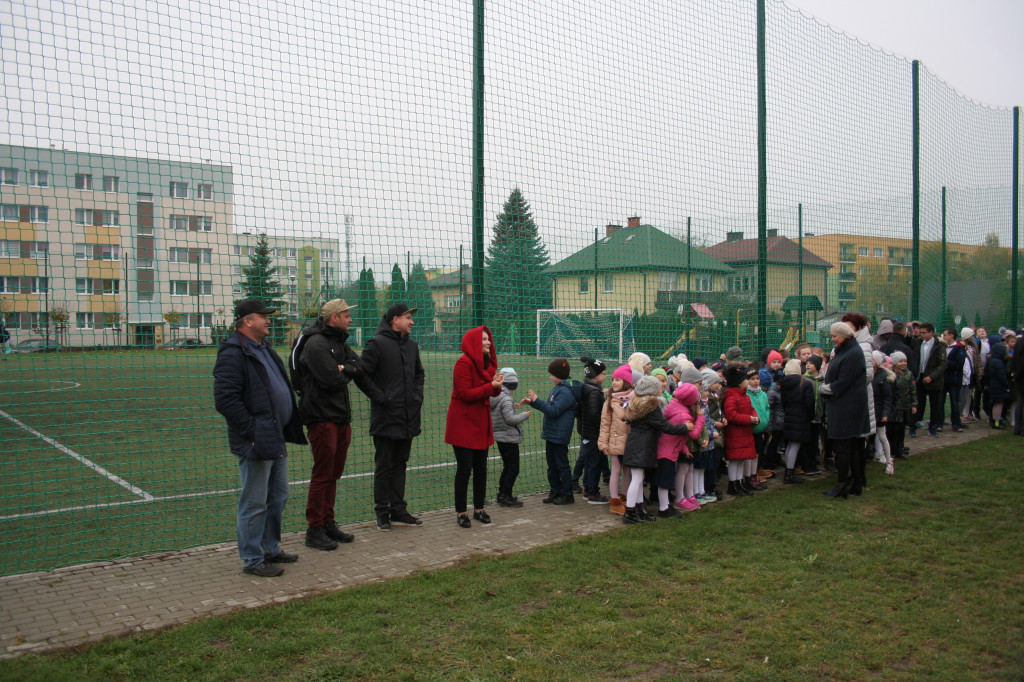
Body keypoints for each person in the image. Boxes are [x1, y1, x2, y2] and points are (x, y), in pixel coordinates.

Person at [213, 299, 307, 577]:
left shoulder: (264, 349)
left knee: (278, 495)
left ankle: (270, 547)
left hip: (275, 435)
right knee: (254, 502)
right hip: (257, 439)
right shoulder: (233, 353)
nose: (269, 320)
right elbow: (225, 400)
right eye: (263, 316)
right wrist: (253, 430)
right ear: (247, 321)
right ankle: (252, 559)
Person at [293, 299, 365, 551]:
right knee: (323, 473)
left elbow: (360, 365)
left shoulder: (337, 342)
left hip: (340, 416)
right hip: (321, 416)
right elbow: (332, 380)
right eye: (346, 315)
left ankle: (328, 522)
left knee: (334, 473)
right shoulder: (316, 344)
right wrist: (346, 371)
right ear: (334, 318)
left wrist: (345, 366)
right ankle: (314, 529)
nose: (350, 319)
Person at [361, 303, 426, 531]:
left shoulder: (412, 346)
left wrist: (417, 396)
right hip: (386, 418)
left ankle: (398, 509)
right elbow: (362, 374)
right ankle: (382, 512)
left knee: (400, 465)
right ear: (395, 320)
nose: (412, 322)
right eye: (408, 317)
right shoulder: (376, 344)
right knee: (384, 466)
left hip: (408, 416)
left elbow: (419, 374)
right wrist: (381, 397)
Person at [444, 326, 502, 528]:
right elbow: (464, 394)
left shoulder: (486, 364)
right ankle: (461, 512)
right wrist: (491, 386)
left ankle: (479, 509)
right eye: (484, 339)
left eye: (489, 339)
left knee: (481, 468)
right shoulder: (464, 363)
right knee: (464, 469)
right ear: (473, 343)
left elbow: (491, 393)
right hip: (463, 423)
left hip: (480, 422)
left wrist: (496, 385)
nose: (488, 343)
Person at [621, 375, 693, 524]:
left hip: (636, 444)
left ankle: (639, 509)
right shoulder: (651, 407)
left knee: (639, 479)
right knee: (637, 479)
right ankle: (629, 512)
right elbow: (664, 426)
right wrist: (684, 428)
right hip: (642, 446)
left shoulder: (636, 404)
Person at [820, 322, 870, 499]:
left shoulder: (851, 354)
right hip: (850, 404)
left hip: (846, 406)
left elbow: (843, 381)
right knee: (854, 444)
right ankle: (855, 482)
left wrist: (825, 388)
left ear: (844, 336)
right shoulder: (850, 351)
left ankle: (842, 484)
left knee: (843, 445)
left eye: (835, 336)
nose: (832, 339)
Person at [528, 358, 582, 505]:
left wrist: (537, 401)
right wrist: (534, 402)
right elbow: (550, 408)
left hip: (559, 435)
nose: (550, 377)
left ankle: (567, 494)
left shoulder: (565, 392)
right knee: (552, 466)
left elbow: (554, 411)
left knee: (561, 465)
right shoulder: (558, 388)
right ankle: (555, 491)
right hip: (552, 433)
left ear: (560, 375)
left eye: (552, 374)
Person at [491, 367, 530, 506]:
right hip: (508, 437)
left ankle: (502, 493)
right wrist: (524, 415)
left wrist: (513, 406)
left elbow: (502, 412)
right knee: (513, 467)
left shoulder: (497, 395)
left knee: (508, 466)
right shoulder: (506, 398)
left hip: (501, 436)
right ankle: (505, 495)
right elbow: (510, 419)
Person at [599, 364, 634, 515]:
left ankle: (626, 498)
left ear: (626, 382)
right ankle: (614, 501)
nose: (614, 383)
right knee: (616, 470)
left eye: (618, 380)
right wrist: (603, 443)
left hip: (631, 442)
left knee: (628, 471)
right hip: (615, 442)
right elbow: (604, 424)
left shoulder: (634, 399)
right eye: (613, 380)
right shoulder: (609, 402)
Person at [722, 365, 761, 496]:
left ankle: (739, 482)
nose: (747, 381)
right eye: (745, 379)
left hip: (744, 433)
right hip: (735, 434)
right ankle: (733, 484)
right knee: (735, 460)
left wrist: (755, 417)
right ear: (739, 383)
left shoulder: (745, 396)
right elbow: (731, 415)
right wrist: (750, 419)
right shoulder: (732, 397)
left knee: (741, 459)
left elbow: (751, 409)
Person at [778, 359, 815, 484]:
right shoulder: (805, 383)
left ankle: (789, 470)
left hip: (789, 416)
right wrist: (810, 416)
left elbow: (784, 402)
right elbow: (810, 403)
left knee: (790, 444)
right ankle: (789, 472)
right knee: (795, 444)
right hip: (801, 417)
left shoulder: (784, 384)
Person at [578, 357, 609, 504]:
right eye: (603, 373)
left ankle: (587, 490)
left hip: (587, 432)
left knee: (590, 463)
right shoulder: (594, 392)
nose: (605, 376)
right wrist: (603, 431)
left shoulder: (588, 388)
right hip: (593, 434)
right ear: (595, 375)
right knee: (594, 464)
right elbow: (594, 416)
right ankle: (593, 493)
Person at [910, 322, 947, 438]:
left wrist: (931, 376)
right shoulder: (918, 343)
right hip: (919, 377)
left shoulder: (939, 346)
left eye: (924, 333)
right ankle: (913, 427)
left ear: (931, 332)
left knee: (934, 405)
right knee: (917, 403)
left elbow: (943, 364)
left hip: (933, 380)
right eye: (921, 333)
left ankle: (932, 427)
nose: (922, 335)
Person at [888, 351, 917, 461]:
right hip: (896, 406)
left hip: (905, 406)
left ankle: (900, 448)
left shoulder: (909, 374)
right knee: (893, 428)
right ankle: (892, 449)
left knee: (901, 428)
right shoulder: (892, 374)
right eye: (900, 361)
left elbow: (913, 389)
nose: (903, 363)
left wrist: (914, 403)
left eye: (905, 361)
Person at [942, 328, 967, 433]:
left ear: (951, 336)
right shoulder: (942, 347)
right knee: (940, 402)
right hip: (943, 380)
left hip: (954, 380)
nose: (944, 337)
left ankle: (956, 424)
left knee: (954, 402)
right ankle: (939, 423)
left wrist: (945, 363)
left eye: (945, 335)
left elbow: (959, 364)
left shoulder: (959, 349)